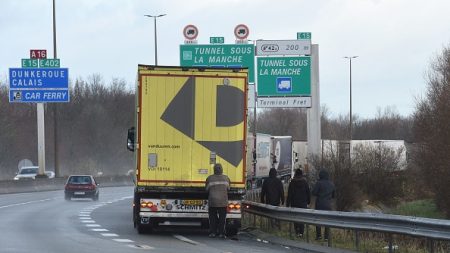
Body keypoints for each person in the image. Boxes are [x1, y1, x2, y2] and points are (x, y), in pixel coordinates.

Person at [205, 163, 230, 238]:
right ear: (222, 170)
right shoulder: (226, 178)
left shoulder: (209, 178)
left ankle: (213, 232)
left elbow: (206, 189)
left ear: (214, 170)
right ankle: (221, 233)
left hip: (213, 201)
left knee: (212, 217)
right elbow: (228, 188)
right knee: (222, 218)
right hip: (223, 201)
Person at [312, 169, 336, 241]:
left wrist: (320, 194)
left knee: (318, 220)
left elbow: (314, 192)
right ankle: (326, 237)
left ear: (320, 175)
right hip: (328, 205)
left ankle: (319, 236)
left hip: (319, 204)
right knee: (327, 221)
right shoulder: (332, 184)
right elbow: (334, 195)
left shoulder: (319, 183)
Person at [286, 168, 311, 237]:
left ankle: (297, 230)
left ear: (295, 174)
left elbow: (289, 194)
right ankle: (301, 233)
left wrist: (287, 204)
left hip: (294, 203)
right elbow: (308, 193)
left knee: (295, 217)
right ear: (301, 174)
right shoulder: (305, 182)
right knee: (302, 217)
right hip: (303, 203)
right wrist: (308, 201)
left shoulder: (292, 182)